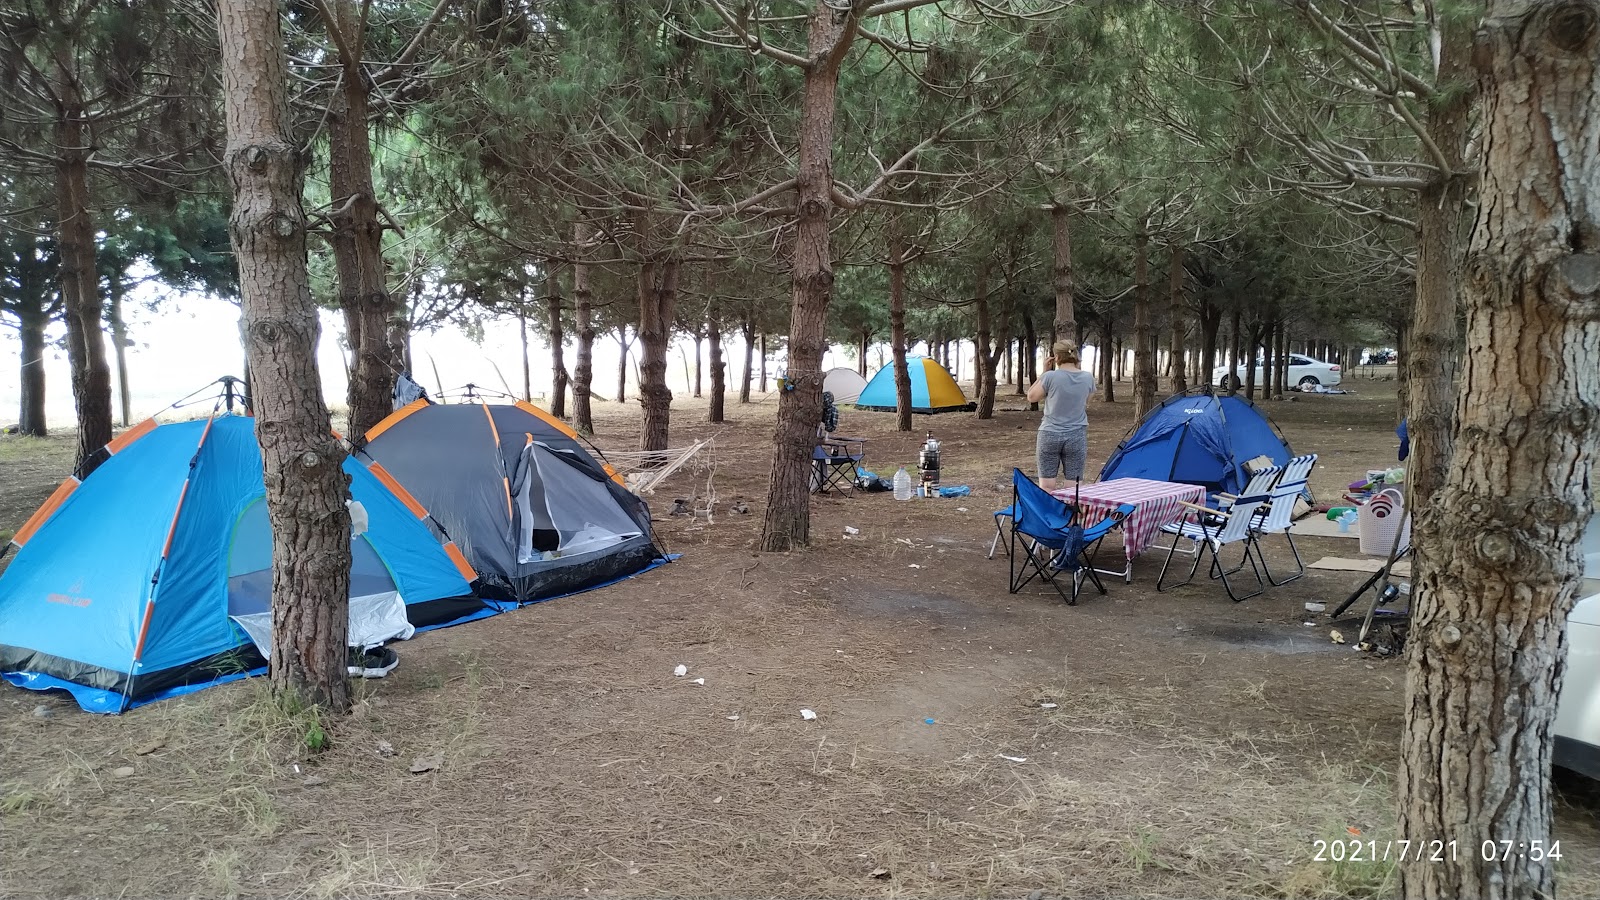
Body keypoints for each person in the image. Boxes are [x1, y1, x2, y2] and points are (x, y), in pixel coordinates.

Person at [1027, 340, 1096, 490]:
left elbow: (1032, 397)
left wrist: (1044, 372)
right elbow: (1086, 402)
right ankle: (1070, 513)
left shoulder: (1050, 377)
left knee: (1047, 486)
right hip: (1076, 435)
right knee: (1074, 486)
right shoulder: (1088, 378)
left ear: (1056, 357)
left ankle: (1048, 513)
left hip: (1049, 433)